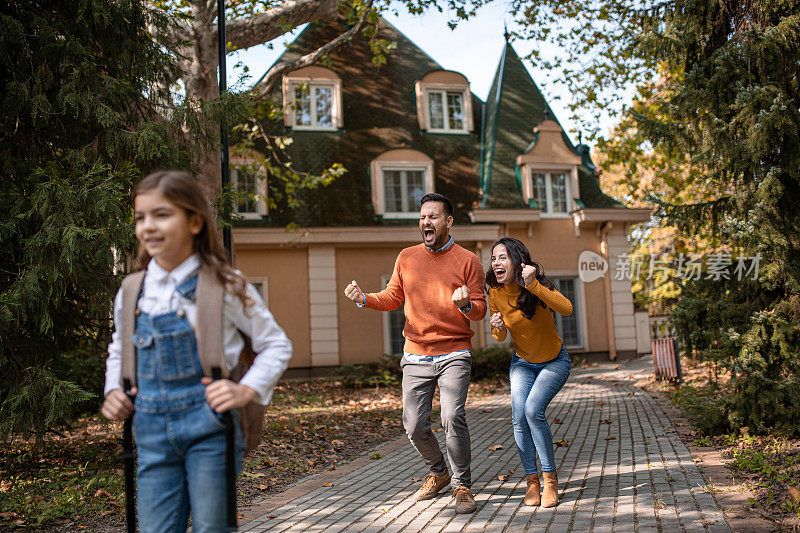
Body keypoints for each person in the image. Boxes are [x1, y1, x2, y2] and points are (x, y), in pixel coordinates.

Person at [101, 170, 292, 532]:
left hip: (210, 427)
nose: (148, 226)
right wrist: (115, 388)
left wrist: (246, 390)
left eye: (161, 214)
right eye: (140, 217)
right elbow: (119, 346)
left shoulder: (224, 283)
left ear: (194, 221)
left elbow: (276, 344)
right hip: (150, 428)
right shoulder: (132, 289)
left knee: (212, 527)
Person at [343, 193, 487, 514]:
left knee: (452, 416)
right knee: (413, 425)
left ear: (448, 222)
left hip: (454, 351)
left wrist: (466, 304)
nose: (426, 222)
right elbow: (393, 296)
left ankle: (462, 486)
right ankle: (439, 471)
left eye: (433, 217)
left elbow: (479, 310)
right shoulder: (406, 257)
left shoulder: (469, 260)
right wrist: (363, 298)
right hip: (416, 354)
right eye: (422, 217)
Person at [486, 237, 573, 508]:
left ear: (517, 261)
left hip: (554, 361)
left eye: (502, 257)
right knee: (518, 417)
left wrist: (532, 284)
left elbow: (567, 309)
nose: (496, 263)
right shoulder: (495, 294)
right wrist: (497, 325)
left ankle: (550, 480)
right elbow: (499, 337)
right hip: (522, 362)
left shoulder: (539, 285)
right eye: (493, 258)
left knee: (533, 410)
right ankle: (531, 481)